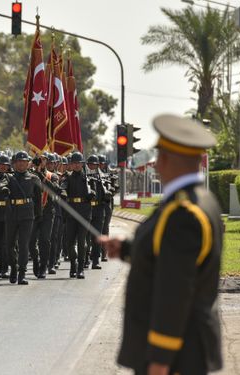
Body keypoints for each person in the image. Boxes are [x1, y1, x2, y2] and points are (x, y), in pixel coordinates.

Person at [100, 114, 223, 375]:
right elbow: (169, 256)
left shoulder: (183, 212)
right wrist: (126, 249)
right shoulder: (199, 200)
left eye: (158, 158)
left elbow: (175, 291)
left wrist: (160, 359)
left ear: (165, 160)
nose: (155, 166)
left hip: (176, 355)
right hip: (181, 349)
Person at [0, 151, 42, 285]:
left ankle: (22, 273)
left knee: (24, 244)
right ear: (14, 163)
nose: (21, 164)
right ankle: (13, 267)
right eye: (19, 161)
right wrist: (4, 189)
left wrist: (38, 215)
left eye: (24, 161)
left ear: (28, 163)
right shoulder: (9, 177)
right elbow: (2, 184)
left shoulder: (33, 178)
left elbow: (38, 198)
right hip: (11, 213)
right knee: (10, 244)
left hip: (27, 214)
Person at [60, 152, 94, 279]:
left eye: (78, 163)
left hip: (84, 212)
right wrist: (63, 192)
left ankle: (80, 268)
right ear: (71, 164)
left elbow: (92, 189)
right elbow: (63, 186)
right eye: (74, 163)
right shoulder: (67, 177)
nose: (76, 165)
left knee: (81, 242)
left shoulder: (88, 177)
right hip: (71, 212)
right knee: (69, 242)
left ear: (82, 164)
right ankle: (73, 264)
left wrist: (92, 193)